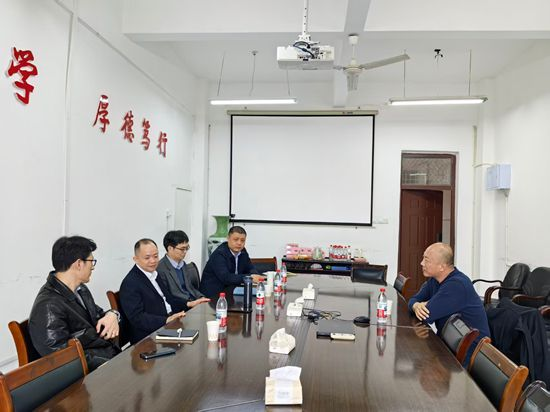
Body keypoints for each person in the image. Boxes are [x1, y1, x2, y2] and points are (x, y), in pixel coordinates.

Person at [29, 236, 121, 371]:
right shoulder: (48, 306)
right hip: (89, 373)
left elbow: (99, 316)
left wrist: (113, 314)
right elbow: (61, 359)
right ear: (79, 264)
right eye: (91, 261)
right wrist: (108, 365)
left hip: (106, 357)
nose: (93, 267)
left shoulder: (80, 289)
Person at [408, 242, 490, 365]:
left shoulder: (457, 285)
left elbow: (427, 314)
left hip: (471, 353)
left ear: (442, 267)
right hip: (450, 344)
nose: (422, 263)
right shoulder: (434, 280)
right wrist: (416, 306)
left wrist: (423, 305)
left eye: (426, 260)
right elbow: (413, 300)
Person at [120, 238, 200, 344]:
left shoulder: (154, 274)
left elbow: (168, 299)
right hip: (148, 338)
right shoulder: (130, 283)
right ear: (136, 259)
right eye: (147, 258)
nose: (153, 261)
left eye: (156, 256)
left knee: (199, 332)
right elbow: (138, 318)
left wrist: (189, 304)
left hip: (168, 325)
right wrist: (166, 320)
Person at [200, 226, 264, 299]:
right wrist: (250, 277)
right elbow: (226, 278)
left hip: (230, 292)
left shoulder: (243, 251)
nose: (239, 243)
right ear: (228, 238)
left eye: (242, 240)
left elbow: (250, 267)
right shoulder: (219, 254)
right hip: (213, 296)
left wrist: (255, 275)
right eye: (236, 239)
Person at [157, 230, 209, 305]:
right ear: (170, 248)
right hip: (181, 306)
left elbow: (190, 288)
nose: (185, 252)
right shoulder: (160, 268)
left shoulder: (182, 264)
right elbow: (168, 297)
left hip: (192, 302)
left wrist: (201, 297)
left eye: (187, 248)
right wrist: (189, 303)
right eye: (182, 249)